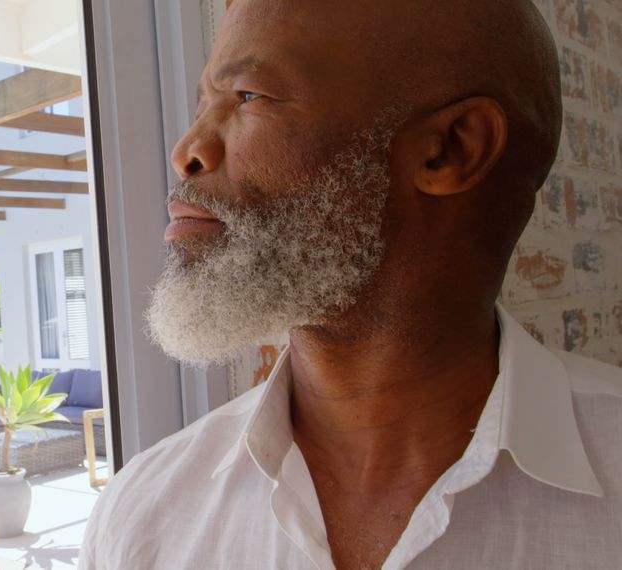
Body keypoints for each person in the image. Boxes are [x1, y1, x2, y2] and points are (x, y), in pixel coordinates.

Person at [78, 0, 622, 568]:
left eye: (248, 96)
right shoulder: (142, 519)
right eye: (202, 103)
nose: (187, 150)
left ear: (450, 148)